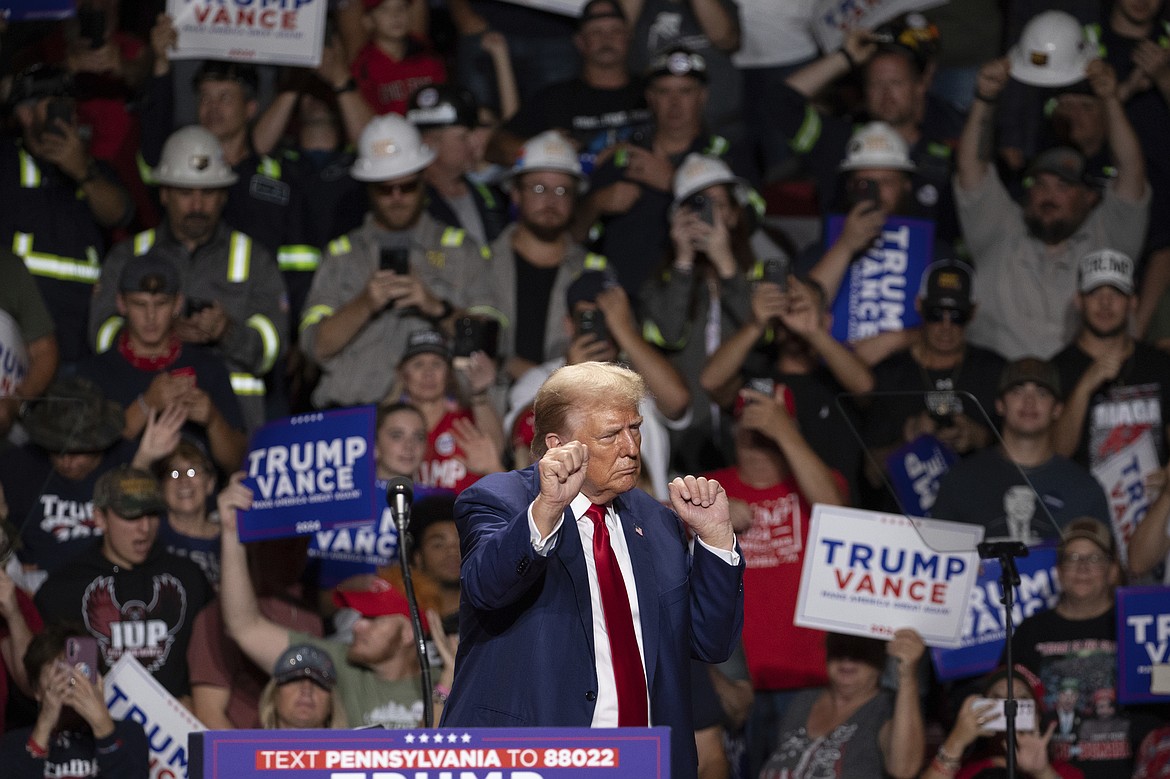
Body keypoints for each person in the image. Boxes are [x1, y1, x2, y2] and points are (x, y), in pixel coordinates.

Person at [440, 361, 744, 779]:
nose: (631, 447)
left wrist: (715, 541)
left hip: (644, 764)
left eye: (634, 428)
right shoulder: (501, 500)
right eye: (610, 435)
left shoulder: (657, 522)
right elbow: (487, 587)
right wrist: (546, 510)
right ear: (557, 445)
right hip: (534, 760)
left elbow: (710, 644)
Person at [90, 125, 289, 431]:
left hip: (233, 425)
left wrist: (227, 332)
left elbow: (273, 350)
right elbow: (100, 336)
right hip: (141, 417)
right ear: (165, 194)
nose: (197, 206)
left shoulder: (255, 260)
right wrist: (160, 331)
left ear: (224, 195)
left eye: (208, 193)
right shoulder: (128, 255)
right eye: (185, 193)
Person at [217, 473, 454, 728]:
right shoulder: (338, 665)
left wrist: (447, 685)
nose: (356, 626)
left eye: (372, 619)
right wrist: (232, 533)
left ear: (408, 632)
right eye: (360, 617)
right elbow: (244, 627)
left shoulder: (445, 682)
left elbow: (428, 760)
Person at [954, 57, 1149, 360]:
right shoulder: (998, 229)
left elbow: (1132, 168)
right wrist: (984, 97)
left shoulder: (1110, 240)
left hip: (1090, 391)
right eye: (1040, 184)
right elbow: (970, 167)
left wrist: (1109, 98)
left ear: (1088, 197)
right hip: (999, 396)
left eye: (1063, 187)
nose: (1048, 196)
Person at [701, 381, 848, 776]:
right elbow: (649, 521)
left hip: (810, 677)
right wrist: (703, 514)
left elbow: (840, 516)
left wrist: (784, 432)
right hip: (735, 685)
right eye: (749, 420)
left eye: (771, 419)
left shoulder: (820, 482)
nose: (758, 430)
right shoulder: (710, 486)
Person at [298, 114, 494, 409]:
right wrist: (365, 303)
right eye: (385, 189)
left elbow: (490, 342)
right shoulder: (342, 255)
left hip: (437, 420)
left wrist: (434, 306)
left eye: (407, 187)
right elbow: (315, 348)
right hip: (352, 414)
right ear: (368, 189)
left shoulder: (461, 250)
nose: (397, 197)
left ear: (423, 181)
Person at [641, 153, 788, 472]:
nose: (708, 216)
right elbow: (668, 333)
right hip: (685, 441)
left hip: (749, 440)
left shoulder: (761, 275)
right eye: (697, 206)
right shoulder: (661, 283)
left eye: (718, 205)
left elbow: (766, 335)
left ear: (735, 214)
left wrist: (726, 265)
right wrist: (682, 261)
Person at [33, 466, 213, 705]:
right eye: (131, 516)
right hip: (94, 731)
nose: (145, 528)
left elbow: (214, 662)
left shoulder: (188, 577)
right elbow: (39, 679)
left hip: (176, 732)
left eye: (152, 514)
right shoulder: (64, 588)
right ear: (100, 517)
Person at [1, 64, 133, 369]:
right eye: (56, 107)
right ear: (26, 114)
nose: (68, 116)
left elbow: (120, 214)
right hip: (11, 351)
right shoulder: (6, 163)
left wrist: (81, 170)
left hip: (77, 351)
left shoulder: (94, 170)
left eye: (71, 109)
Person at [78, 251, 248, 473]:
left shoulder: (208, 367)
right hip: (122, 502)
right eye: (139, 304)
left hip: (193, 502)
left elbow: (238, 463)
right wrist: (146, 404)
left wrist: (213, 420)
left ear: (178, 304)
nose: (151, 316)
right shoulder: (96, 373)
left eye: (161, 304)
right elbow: (84, 466)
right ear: (121, 304)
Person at [1010, 517, 1139, 777]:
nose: (1082, 568)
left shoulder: (1138, 622)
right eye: (1072, 558)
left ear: (1113, 570)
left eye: (1094, 559)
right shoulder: (1031, 631)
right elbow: (1005, 695)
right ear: (1058, 571)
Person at [931, 359, 1110, 542]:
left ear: (1057, 409)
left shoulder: (1084, 489)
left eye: (1041, 393)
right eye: (1017, 391)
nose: (1029, 401)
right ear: (1000, 405)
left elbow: (1104, 565)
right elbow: (939, 559)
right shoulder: (961, 481)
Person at [482, 130, 604, 381]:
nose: (550, 201)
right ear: (515, 193)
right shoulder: (479, 263)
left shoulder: (595, 273)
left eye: (562, 191)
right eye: (539, 188)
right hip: (488, 411)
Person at [0, 377, 137, 581]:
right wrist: (10, 564)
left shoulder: (128, 461)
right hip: (39, 590)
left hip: (115, 584)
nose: (66, 460)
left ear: (100, 443)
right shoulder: (17, 466)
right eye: (56, 449)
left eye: (77, 451)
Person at [488, 0, 650, 163]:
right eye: (596, 32)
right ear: (580, 41)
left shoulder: (654, 91)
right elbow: (496, 147)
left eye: (615, 31)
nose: (606, 39)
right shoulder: (555, 98)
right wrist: (551, 147)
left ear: (629, 36)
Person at [1051, 249, 1170, 471]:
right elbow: (1056, 455)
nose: (1105, 303)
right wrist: (1085, 386)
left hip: (1154, 502)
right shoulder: (1056, 369)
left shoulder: (1160, 364)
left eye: (1116, 293)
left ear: (1133, 302)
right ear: (1079, 301)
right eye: (1095, 293)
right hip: (1085, 503)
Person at [757, 630, 927, 779]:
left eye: (861, 649)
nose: (847, 656)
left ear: (882, 655)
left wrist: (907, 676)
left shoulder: (885, 708)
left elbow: (904, 769)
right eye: (839, 645)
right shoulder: (803, 701)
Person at [0, 625, 149, 778]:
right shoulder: (14, 743)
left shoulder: (129, 733)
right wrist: (44, 726)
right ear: (37, 690)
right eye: (59, 672)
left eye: (80, 672)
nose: (69, 681)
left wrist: (102, 725)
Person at [390, 329, 505, 493]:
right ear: (403, 374)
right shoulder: (388, 428)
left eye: (436, 364)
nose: (428, 373)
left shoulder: (466, 422)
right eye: (418, 364)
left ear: (449, 374)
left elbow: (495, 453)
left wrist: (479, 394)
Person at [921, 665, 1075, 779]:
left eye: (1021, 700)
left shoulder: (1064, 772)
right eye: (998, 700)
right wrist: (955, 742)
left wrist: (1043, 773)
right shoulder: (965, 771)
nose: (1010, 709)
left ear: (1038, 714)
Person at [259, 644, 347, 729]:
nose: (307, 689)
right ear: (274, 695)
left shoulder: (357, 743)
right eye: (295, 679)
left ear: (331, 703)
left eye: (318, 682)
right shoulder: (248, 743)